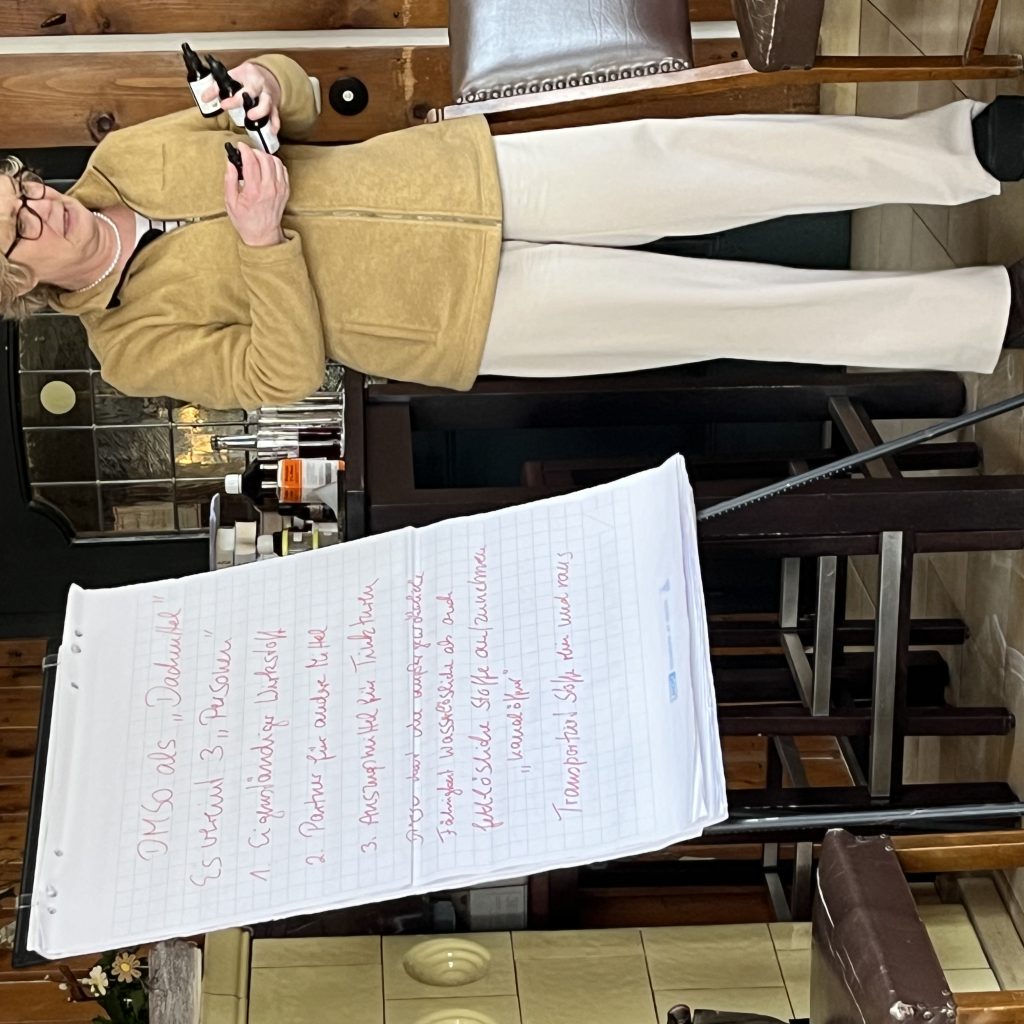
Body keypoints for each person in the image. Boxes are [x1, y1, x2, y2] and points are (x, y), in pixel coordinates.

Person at [1, 53, 1022, 411]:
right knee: (724, 310)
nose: (39, 202)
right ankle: (983, 317)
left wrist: (269, 81)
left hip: (459, 177)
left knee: (705, 158)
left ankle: (964, 148)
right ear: (15, 284)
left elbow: (298, 101)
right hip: (462, 318)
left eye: (18, 186)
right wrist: (263, 242)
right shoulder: (129, 350)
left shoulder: (124, 156)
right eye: (17, 227)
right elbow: (283, 373)